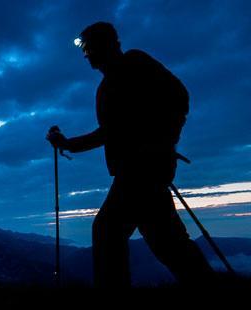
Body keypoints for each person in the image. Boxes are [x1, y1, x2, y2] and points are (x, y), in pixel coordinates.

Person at [46, 22, 215, 287]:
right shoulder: (106, 87)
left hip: (142, 171)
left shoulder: (135, 63)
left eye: (88, 46)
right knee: (166, 242)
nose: (85, 53)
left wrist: (162, 142)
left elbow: (179, 97)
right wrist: (67, 144)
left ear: (106, 44)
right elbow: (109, 133)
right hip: (138, 170)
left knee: (108, 232)